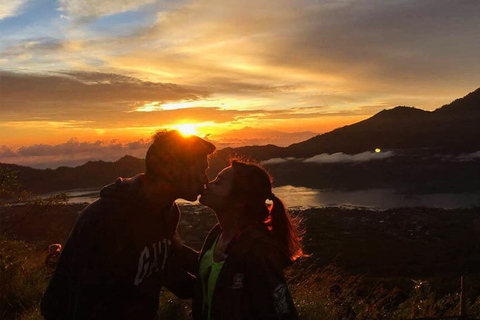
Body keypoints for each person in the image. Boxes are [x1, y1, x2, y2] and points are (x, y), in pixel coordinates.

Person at [41, 130, 215, 320]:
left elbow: (164, 265)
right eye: (201, 170)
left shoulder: (168, 210)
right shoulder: (108, 217)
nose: (205, 179)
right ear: (172, 170)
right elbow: (85, 299)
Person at [177, 160, 303, 320]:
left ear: (239, 201)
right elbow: (212, 271)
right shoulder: (217, 234)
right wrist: (178, 248)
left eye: (218, 182)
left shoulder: (257, 250)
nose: (207, 184)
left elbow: (279, 311)